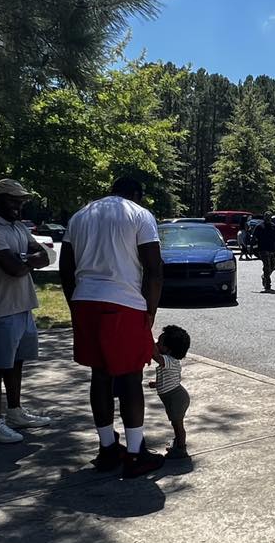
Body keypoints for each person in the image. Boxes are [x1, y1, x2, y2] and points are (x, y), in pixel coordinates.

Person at [61, 176, 166, 478]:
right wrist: (150, 311)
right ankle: (135, 453)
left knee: (100, 376)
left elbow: (66, 270)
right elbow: (154, 270)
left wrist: (74, 305)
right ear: (135, 193)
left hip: (86, 301)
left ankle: (107, 447)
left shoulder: (81, 215)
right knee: (131, 378)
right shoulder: (139, 214)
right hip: (123, 302)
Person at [0, 178, 55, 444]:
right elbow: (14, 268)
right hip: (0, 308)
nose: (19, 206)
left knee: (16, 362)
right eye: (13, 200)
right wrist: (28, 260)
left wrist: (25, 259)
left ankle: (15, 412)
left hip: (23, 305)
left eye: (21, 201)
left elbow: (45, 256)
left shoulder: (17, 227)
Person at [153, 325, 192, 460]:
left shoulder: (169, 360)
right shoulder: (170, 361)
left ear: (168, 350)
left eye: (159, 343)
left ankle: (181, 449)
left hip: (175, 398)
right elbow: (170, 378)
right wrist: (157, 384)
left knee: (177, 424)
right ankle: (178, 444)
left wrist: (147, 339)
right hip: (173, 396)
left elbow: (156, 357)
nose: (156, 344)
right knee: (176, 423)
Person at [251, 215, 275, 292]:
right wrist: (252, 248)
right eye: (266, 218)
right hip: (263, 249)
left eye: (269, 218)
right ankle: (267, 284)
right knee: (267, 266)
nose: (267, 219)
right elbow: (254, 237)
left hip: (272, 249)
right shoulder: (260, 227)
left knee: (273, 266)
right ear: (264, 218)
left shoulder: (273, 227)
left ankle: (264, 276)